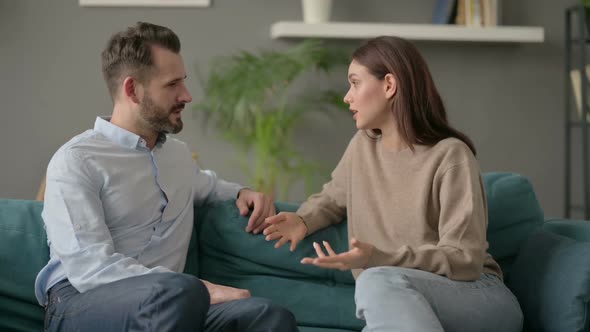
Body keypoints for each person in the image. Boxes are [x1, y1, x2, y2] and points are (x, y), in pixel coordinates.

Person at [35, 22, 298, 332]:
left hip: (175, 304)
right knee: (178, 293)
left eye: (183, 82)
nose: (186, 95)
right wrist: (200, 288)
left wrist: (243, 192)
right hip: (80, 302)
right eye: (172, 84)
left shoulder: (177, 156)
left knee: (266, 315)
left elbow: (207, 185)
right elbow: (88, 268)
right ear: (132, 89)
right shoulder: (77, 160)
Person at [263, 36, 523, 332]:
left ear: (389, 85)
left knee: (376, 279)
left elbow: (465, 260)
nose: (347, 96)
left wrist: (378, 258)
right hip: (401, 298)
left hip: (477, 297)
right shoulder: (363, 147)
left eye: (355, 83)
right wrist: (303, 219)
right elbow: (333, 198)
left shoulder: (451, 155)